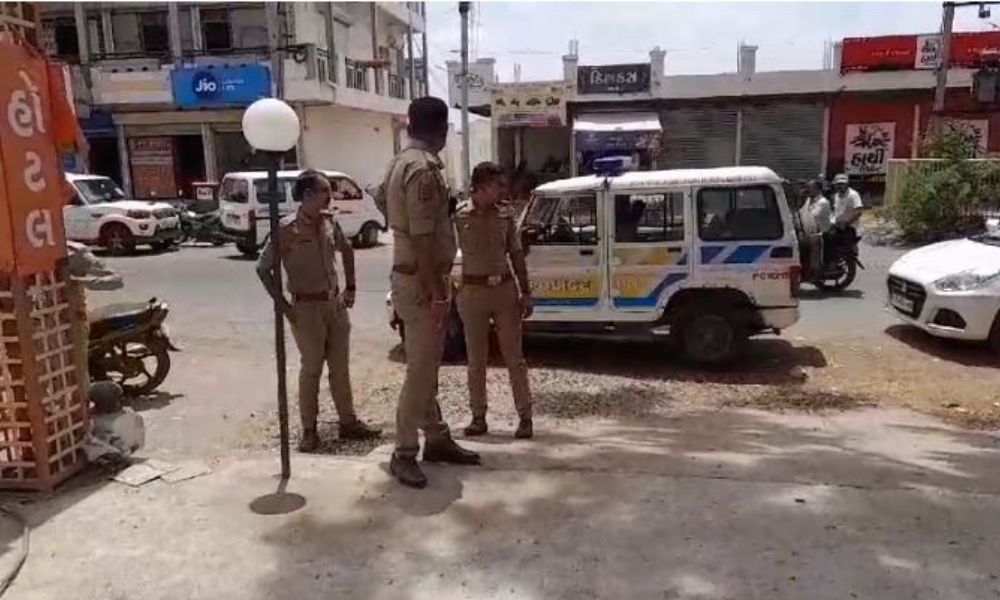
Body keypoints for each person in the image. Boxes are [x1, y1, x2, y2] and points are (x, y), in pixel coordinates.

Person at [379, 96, 481, 489]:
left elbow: (380, 197)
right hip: (421, 282)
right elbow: (422, 238)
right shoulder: (422, 169)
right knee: (421, 373)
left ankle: (436, 438)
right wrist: (437, 291)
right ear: (442, 130)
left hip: (410, 278)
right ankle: (404, 452)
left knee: (426, 369)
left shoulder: (399, 161)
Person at [256, 170, 380, 452]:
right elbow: (263, 269)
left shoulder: (328, 222)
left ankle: (348, 423)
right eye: (325, 191)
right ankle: (309, 431)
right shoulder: (286, 230)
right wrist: (285, 307)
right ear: (308, 195)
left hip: (334, 306)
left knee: (340, 369)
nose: (330, 196)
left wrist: (351, 288)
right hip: (305, 309)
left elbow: (346, 251)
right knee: (311, 369)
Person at [455, 162, 534, 439]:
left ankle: (525, 417)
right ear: (482, 186)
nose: (502, 190)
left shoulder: (505, 215)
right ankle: (478, 417)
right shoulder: (458, 216)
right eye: (497, 185)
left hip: (504, 291)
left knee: (515, 358)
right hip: (473, 292)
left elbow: (516, 254)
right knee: (476, 360)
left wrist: (526, 292)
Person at [65, 241, 123, 396]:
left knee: (77, 374)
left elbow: (115, 280)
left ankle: (82, 409)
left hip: (72, 323)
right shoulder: (24, 252)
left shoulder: (76, 253)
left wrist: (77, 281)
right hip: (39, 326)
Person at [798, 180, 832, 274]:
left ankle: (815, 269)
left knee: (814, 240)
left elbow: (813, 215)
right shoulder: (809, 200)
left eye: (810, 188)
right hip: (808, 232)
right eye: (808, 188)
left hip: (820, 233)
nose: (808, 190)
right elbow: (801, 212)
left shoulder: (823, 202)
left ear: (818, 190)